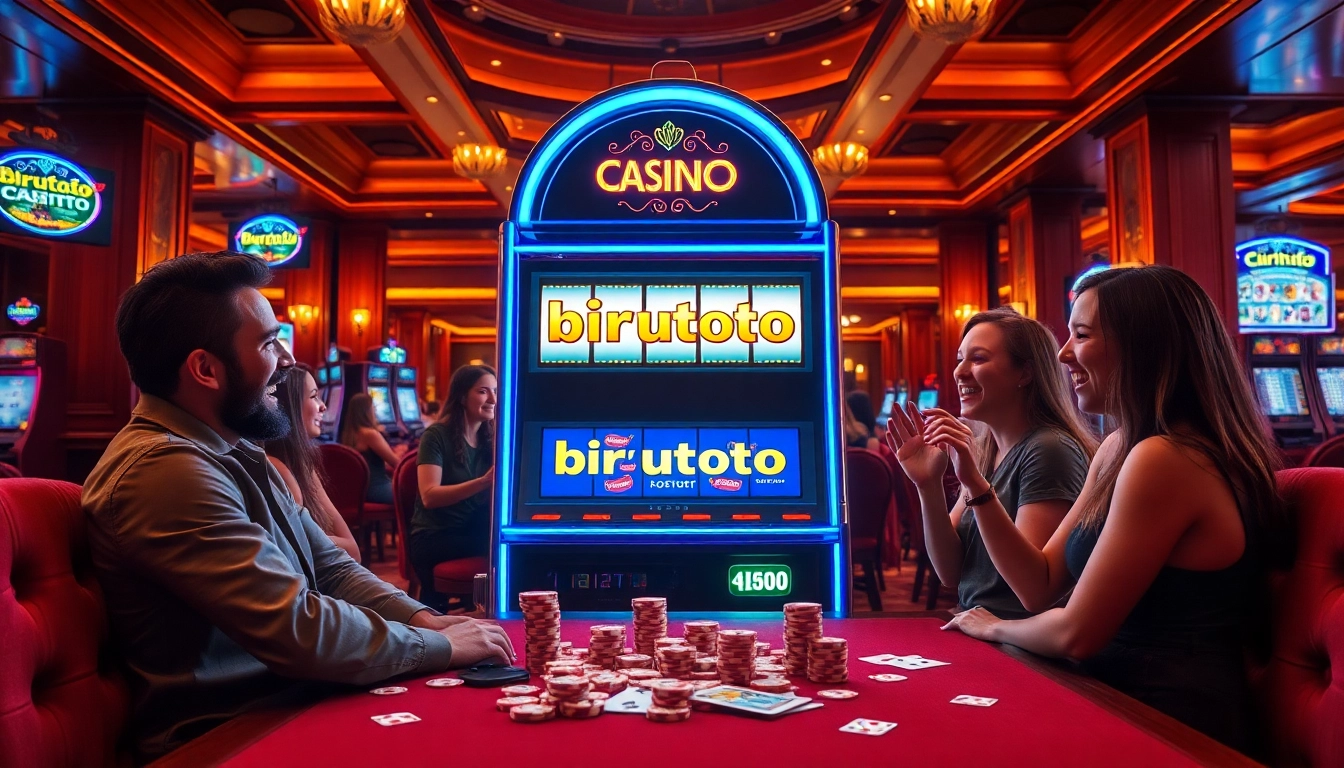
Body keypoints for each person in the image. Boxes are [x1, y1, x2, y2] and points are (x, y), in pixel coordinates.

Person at [83, 252, 513, 761]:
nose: (287, 361)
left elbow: (331, 568)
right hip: (228, 731)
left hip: (292, 696)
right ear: (205, 369)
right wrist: (438, 648)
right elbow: (299, 629)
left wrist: (427, 621)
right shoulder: (164, 472)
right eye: (268, 343)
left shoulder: (234, 449)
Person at [937, 266, 1283, 753]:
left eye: (1080, 334)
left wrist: (994, 626)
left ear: (1141, 346)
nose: (1062, 354)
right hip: (1106, 689)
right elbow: (1038, 585)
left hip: (1169, 720)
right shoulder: (1120, 446)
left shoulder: (1166, 458)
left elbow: (1077, 633)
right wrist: (972, 481)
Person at [886, 308, 1096, 619]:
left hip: (1023, 644)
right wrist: (927, 485)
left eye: (979, 359)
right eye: (961, 359)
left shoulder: (1049, 449)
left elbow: (1029, 590)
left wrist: (975, 484)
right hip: (978, 627)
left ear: (1025, 373)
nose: (959, 371)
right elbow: (951, 573)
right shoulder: (986, 449)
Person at [409, 364, 496, 612]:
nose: (492, 399)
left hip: (469, 530)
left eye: (495, 391)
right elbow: (429, 496)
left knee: (508, 539)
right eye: (483, 391)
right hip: (434, 536)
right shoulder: (436, 435)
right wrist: (482, 483)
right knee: (497, 543)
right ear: (461, 396)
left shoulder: (490, 438)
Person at [264, 363, 361, 561]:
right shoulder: (276, 469)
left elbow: (353, 550)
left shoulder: (302, 466)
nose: (323, 405)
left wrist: (314, 539)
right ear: (289, 405)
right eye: (313, 396)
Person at [339, 392, 406, 505]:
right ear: (366, 411)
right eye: (373, 407)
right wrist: (403, 453)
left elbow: (372, 465)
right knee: (416, 494)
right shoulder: (370, 434)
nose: (375, 410)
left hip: (360, 490)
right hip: (377, 488)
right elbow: (397, 463)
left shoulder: (348, 434)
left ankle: (389, 522)